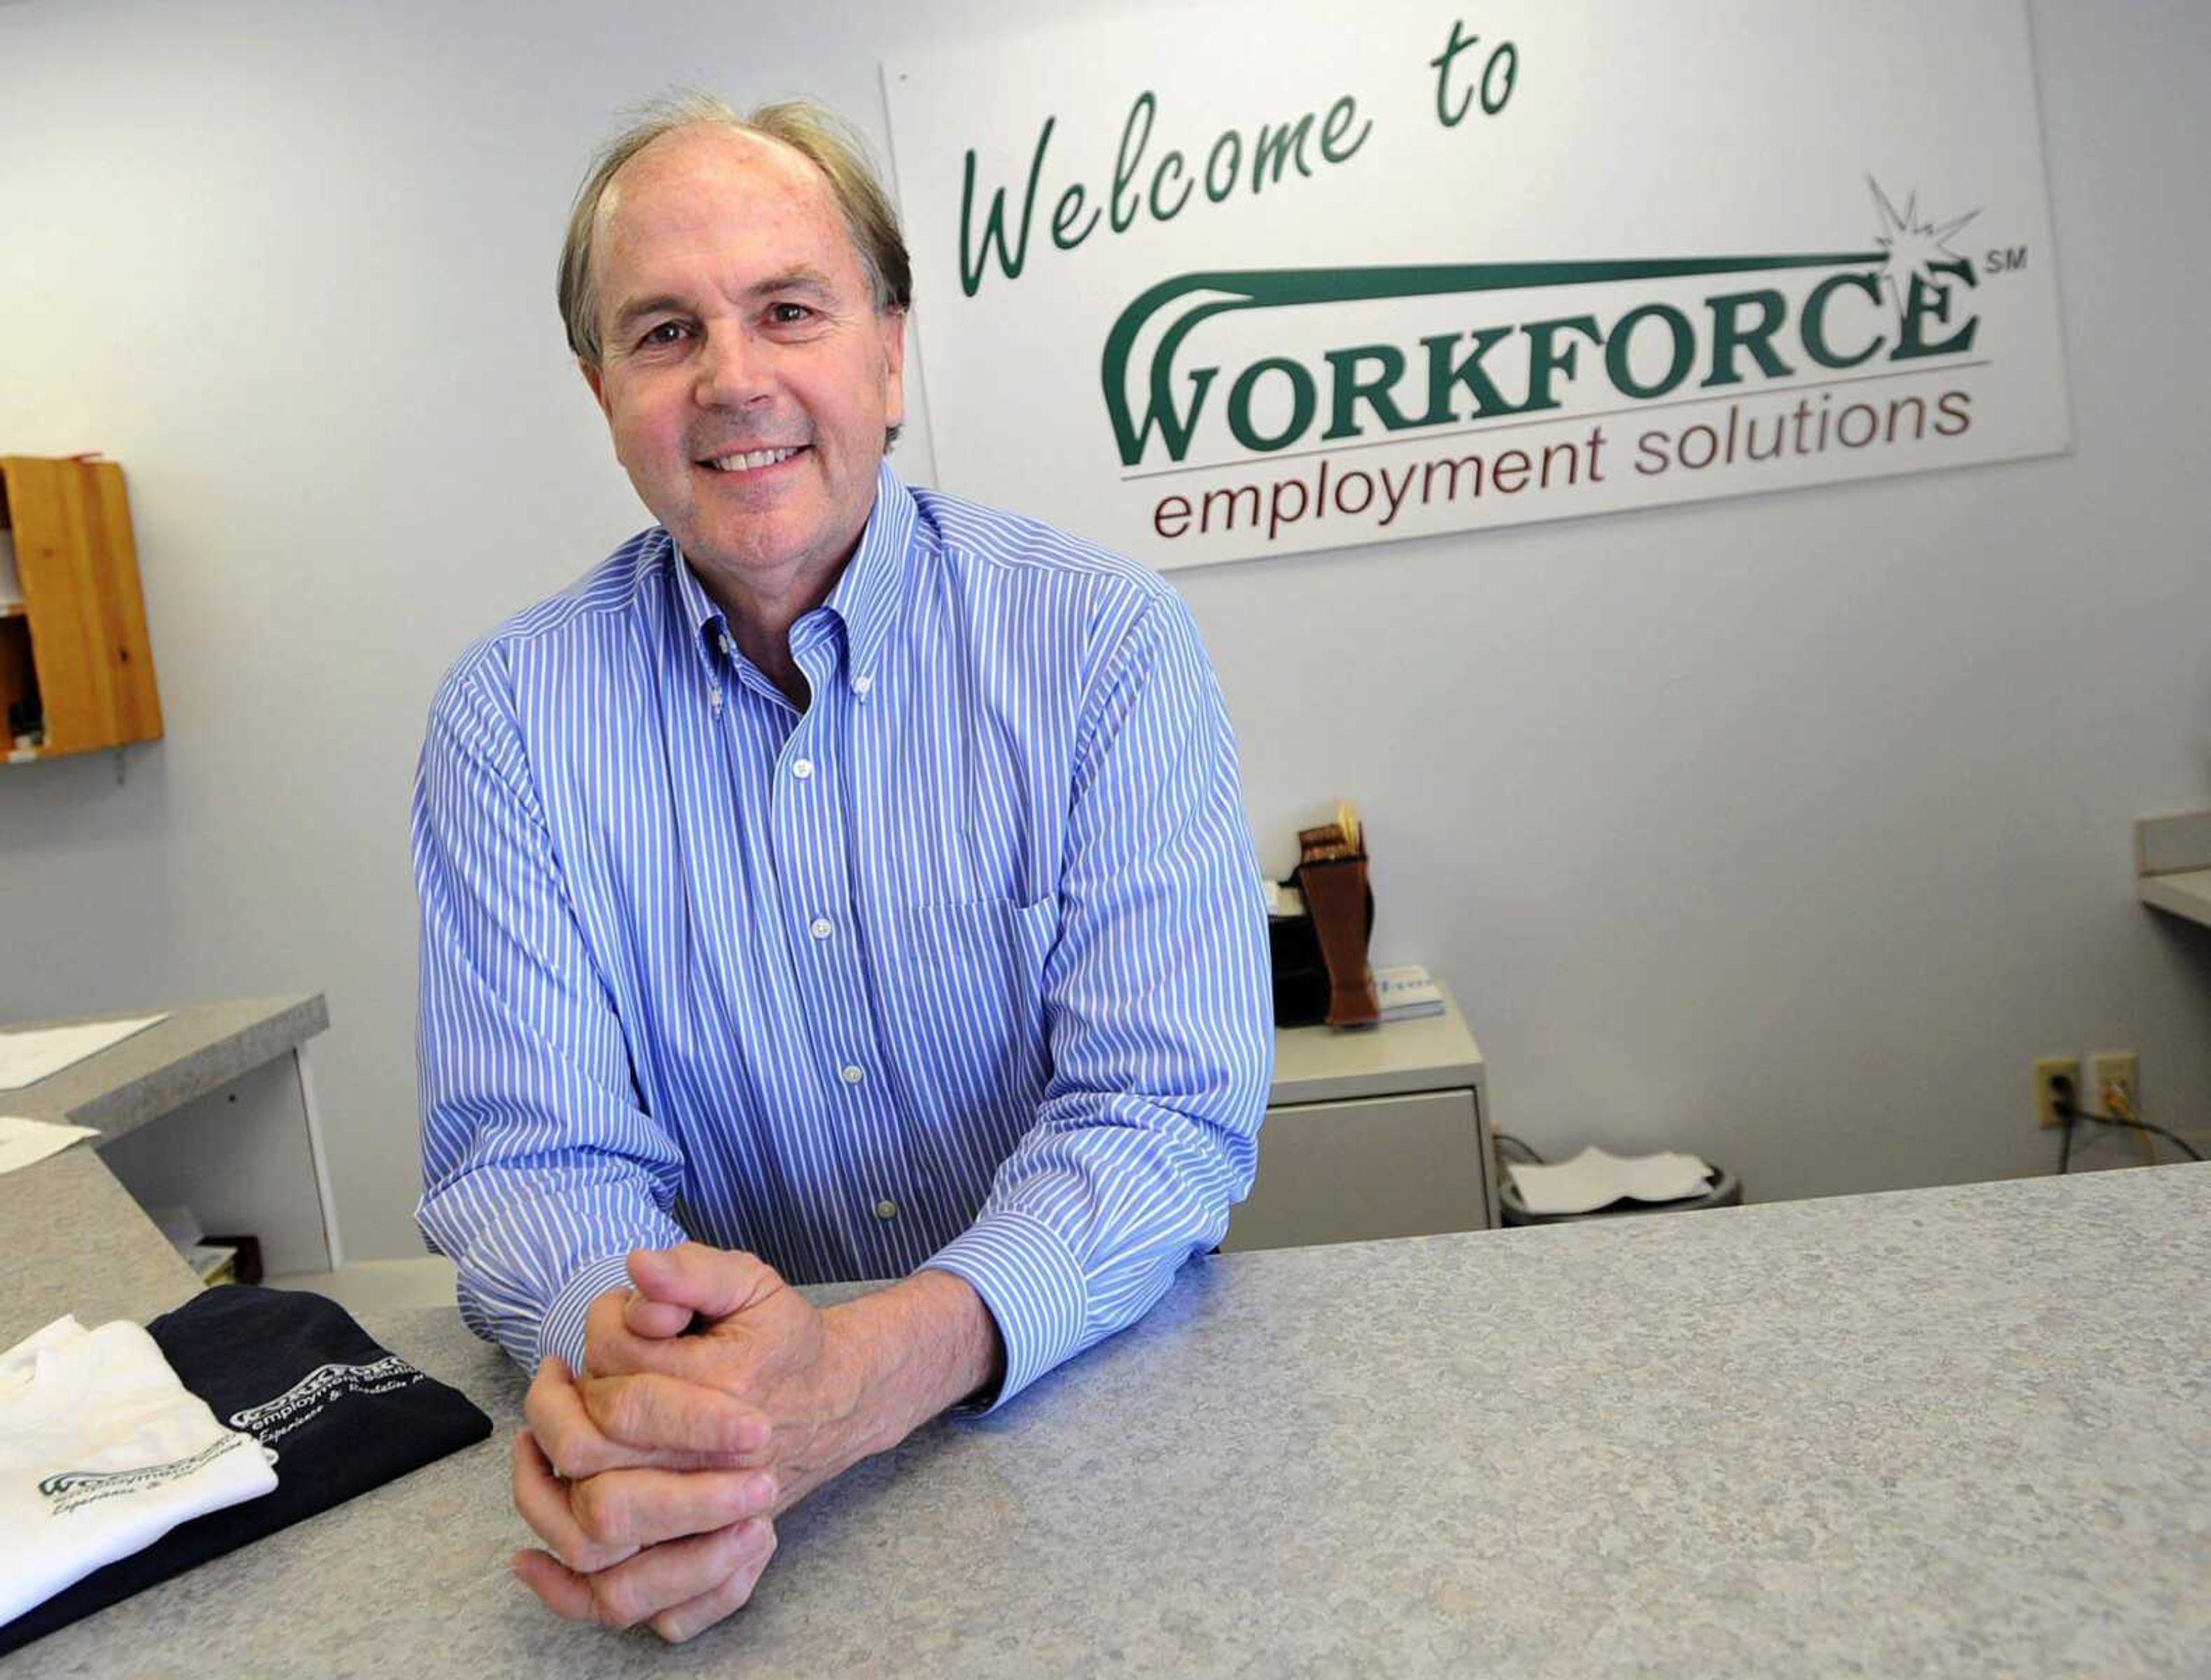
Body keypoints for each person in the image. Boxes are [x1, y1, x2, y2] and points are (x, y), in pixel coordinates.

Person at [410, 93, 1272, 1644]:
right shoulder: (506, 723)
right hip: (733, 1520)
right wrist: (659, 1394)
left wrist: (862, 1377)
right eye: (665, 331)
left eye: (788, 310)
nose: (736, 381)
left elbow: (1164, 1115)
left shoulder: (1104, 647)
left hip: (1097, 1440)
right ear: (600, 386)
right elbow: (529, 1160)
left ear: (888, 346)